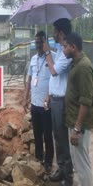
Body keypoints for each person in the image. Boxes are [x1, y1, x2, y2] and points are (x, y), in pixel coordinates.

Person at [43, 18, 74, 186]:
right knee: (57, 137)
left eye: (55, 31)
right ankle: (61, 169)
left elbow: (54, 71)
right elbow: (53, 74)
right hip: (54, 100)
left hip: (62, 101)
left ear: (61, 33)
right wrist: (48, 95)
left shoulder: (67, 53)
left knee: (63, 138)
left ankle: (68, 175)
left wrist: (48, 53)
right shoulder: (61, 51)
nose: (53, 34)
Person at [63, 32, 93, 186]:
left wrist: (77, 129)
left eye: (65, 46)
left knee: (82, 163)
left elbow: (86, 101)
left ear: (73, 47)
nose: (63, 50)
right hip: (73, 120)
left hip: (79, 125)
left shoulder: (84, 67)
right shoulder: (76, 63)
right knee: (78, 161)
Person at [23, 31, 54, 173]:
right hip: (35, 104)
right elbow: (29, 80)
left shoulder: (52, 57)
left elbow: (55, 78)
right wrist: (25, 99)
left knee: (48, 135)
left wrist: (49, 96)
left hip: (46, 105)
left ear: (46, 42)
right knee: (37, 134)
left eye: (41, 42)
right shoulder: (33, 59)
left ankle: (48, 162)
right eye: (36, 42)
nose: (38, 44)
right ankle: (39, 159)